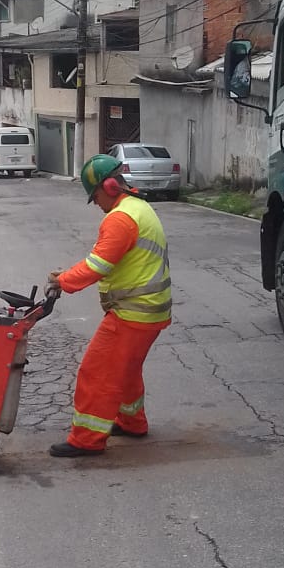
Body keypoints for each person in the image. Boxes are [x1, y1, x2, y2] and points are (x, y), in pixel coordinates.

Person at [47, 154, 172, 459]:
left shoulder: (120, 218)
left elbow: (97, 265)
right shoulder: (139, 207)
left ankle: (86, 439)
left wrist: (62, 281)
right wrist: (66, 277)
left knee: (97, 372)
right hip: (150, 310)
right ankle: (132, 421)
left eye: (96, 197)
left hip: (133, 312)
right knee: (126, 371)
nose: (97, 204)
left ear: (110, 186)